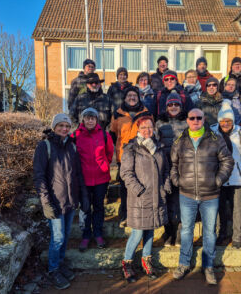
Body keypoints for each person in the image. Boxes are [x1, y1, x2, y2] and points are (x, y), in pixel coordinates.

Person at [170, 108, 234, 284]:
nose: (196, 120)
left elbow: (228, 161)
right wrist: (177, 181)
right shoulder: (180, 141)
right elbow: (173, 164)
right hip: (187, 194)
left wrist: (218, 180)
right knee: (186, 230)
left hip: (210, 195)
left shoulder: (215, 139)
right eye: (192, 118)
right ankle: (184, 263)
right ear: (187, 120)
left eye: (199, 117)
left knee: (209, 232)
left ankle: (208, 266)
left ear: (204, 119)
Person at [33, 113, 88, 290]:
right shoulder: (45, 146)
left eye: (67, 126)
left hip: (70, 201)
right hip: (54, 201)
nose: (64, 129)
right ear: (54, 126)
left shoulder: (71, 147)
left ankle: (60, 262)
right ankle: (53, 269)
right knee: (57, 238)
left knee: (64, 237)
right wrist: (46, 202)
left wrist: (82, 197)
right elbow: (39, 176)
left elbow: (78, 174)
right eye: (61, 125)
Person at [120, 116, 171, 283]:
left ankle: (146, 260)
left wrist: (166, 186)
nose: (147, 130)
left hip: (157, 196)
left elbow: (166, 171)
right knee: (138, 232)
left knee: (151, 229)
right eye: (143, 128)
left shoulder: (159, 147)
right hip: (140, 198)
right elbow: (126, 173)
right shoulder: (131, 148)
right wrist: (138, 190)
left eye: (149, 127)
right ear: (137, 130)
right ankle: (127, 263)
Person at [210, 102, 241, 248]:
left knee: (237, 209)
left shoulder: (240, 133)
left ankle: (237, 236)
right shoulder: (212, 133)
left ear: (233, 121)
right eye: (223, 121)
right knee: (219, 209)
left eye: (228, 121)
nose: (225, 124)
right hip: (219, 178)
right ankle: (221, 234)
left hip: (236, 177)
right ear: (219, 121)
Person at [72, 108, 114, 252]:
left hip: (101, 178)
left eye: (92, 118)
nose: (90, 120)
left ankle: (97, 233)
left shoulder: (104, 135)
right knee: (84, 208)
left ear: (96, 120)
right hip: (83, 179)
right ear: (82, 120)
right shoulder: (75, 135)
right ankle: (85, 235)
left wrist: (105, 165)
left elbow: (109, 153)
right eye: (87, 118)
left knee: (98, 206)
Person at [110, 86, 152, 227]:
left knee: (139, 185)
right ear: (125, 98)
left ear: (138, 97)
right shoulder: (117, 114)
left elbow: (150, 131)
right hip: (124, 156)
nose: (132, 98)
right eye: (129, 95)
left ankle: (139, 215)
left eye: (134, 95)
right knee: (124, 187)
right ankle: (124, 215)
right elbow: (113, 134)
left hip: (142, 156)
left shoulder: (146, 112)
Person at [155, 93, 188, 247]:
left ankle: (180, 232)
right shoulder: (160, 123)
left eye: (176, 104)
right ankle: (168, 232)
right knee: (166, 201)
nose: (173, 107)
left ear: (180, 106)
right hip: (165, 168)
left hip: (182, 168)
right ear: (166, 106)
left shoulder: (187, 121)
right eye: (170, 105)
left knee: (181, 202)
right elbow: (154, 143)